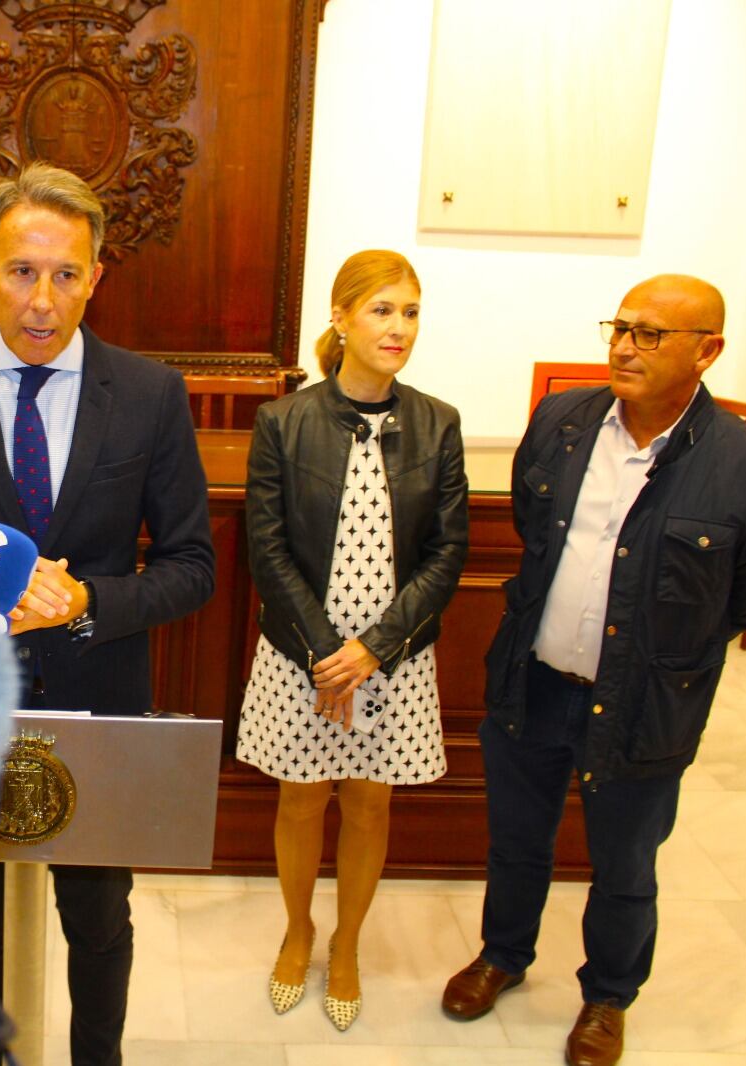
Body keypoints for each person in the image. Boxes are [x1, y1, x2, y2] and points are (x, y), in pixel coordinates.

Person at [0, 162, 215, 1066]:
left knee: (98, 920)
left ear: (97, 276)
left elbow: (192, 568)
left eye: (66, 274)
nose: (43, 300)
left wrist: (88, 602)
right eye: (22, 270)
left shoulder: (149, 394)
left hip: (100, 700)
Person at [441, 275, 746, 1066]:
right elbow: (539, 533)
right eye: (620, 326)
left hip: (643, 705)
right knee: (518, 842)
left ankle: (607, 998)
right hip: (534, 681)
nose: (623, 346)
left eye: (649, 335)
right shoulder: (563, 422)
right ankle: (504, 955)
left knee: (625, 864)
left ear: (708, 351)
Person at [237, 250, 468, 1030]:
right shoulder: (284, 420)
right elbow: (266, 550)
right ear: (340, 318)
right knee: (301, 804)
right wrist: (325, 656)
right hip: (305, 655)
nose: (399, 326)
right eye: (381, 310)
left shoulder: (438, 423)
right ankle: (298, 932)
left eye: (410, 311)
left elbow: (447, 552)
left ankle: (348, 945)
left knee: (370, 807)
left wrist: (375, 649)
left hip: (393, 658)